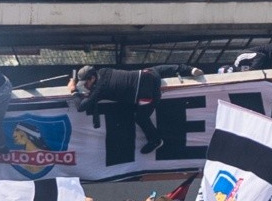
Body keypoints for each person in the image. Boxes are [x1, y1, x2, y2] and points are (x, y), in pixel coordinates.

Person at [67, 63, 203, 155]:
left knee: (140, 117)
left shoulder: (100, 90)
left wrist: (73, 90)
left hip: (146, 94)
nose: (85, 86)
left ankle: (156, 140)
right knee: (155, 70)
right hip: (149, 75)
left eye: (86, 83)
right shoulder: (104, 71)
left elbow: (81, 106)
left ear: (92, 78)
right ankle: (189, 69)